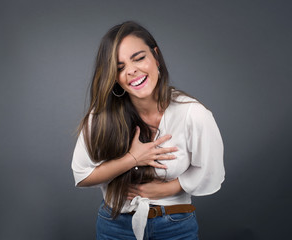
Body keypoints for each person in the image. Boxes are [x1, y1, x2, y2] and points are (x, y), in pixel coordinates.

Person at [72, 21, 225, 240]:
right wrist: (133, 158)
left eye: (139, 58)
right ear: (113, 77)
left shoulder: (193, 114)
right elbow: (82, 175)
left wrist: (165, 190)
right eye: (120, 67)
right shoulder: (101, 117)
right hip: (114, 225)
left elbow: (211, 172)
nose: (131, 71)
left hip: (175, 224)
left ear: (156, 56)